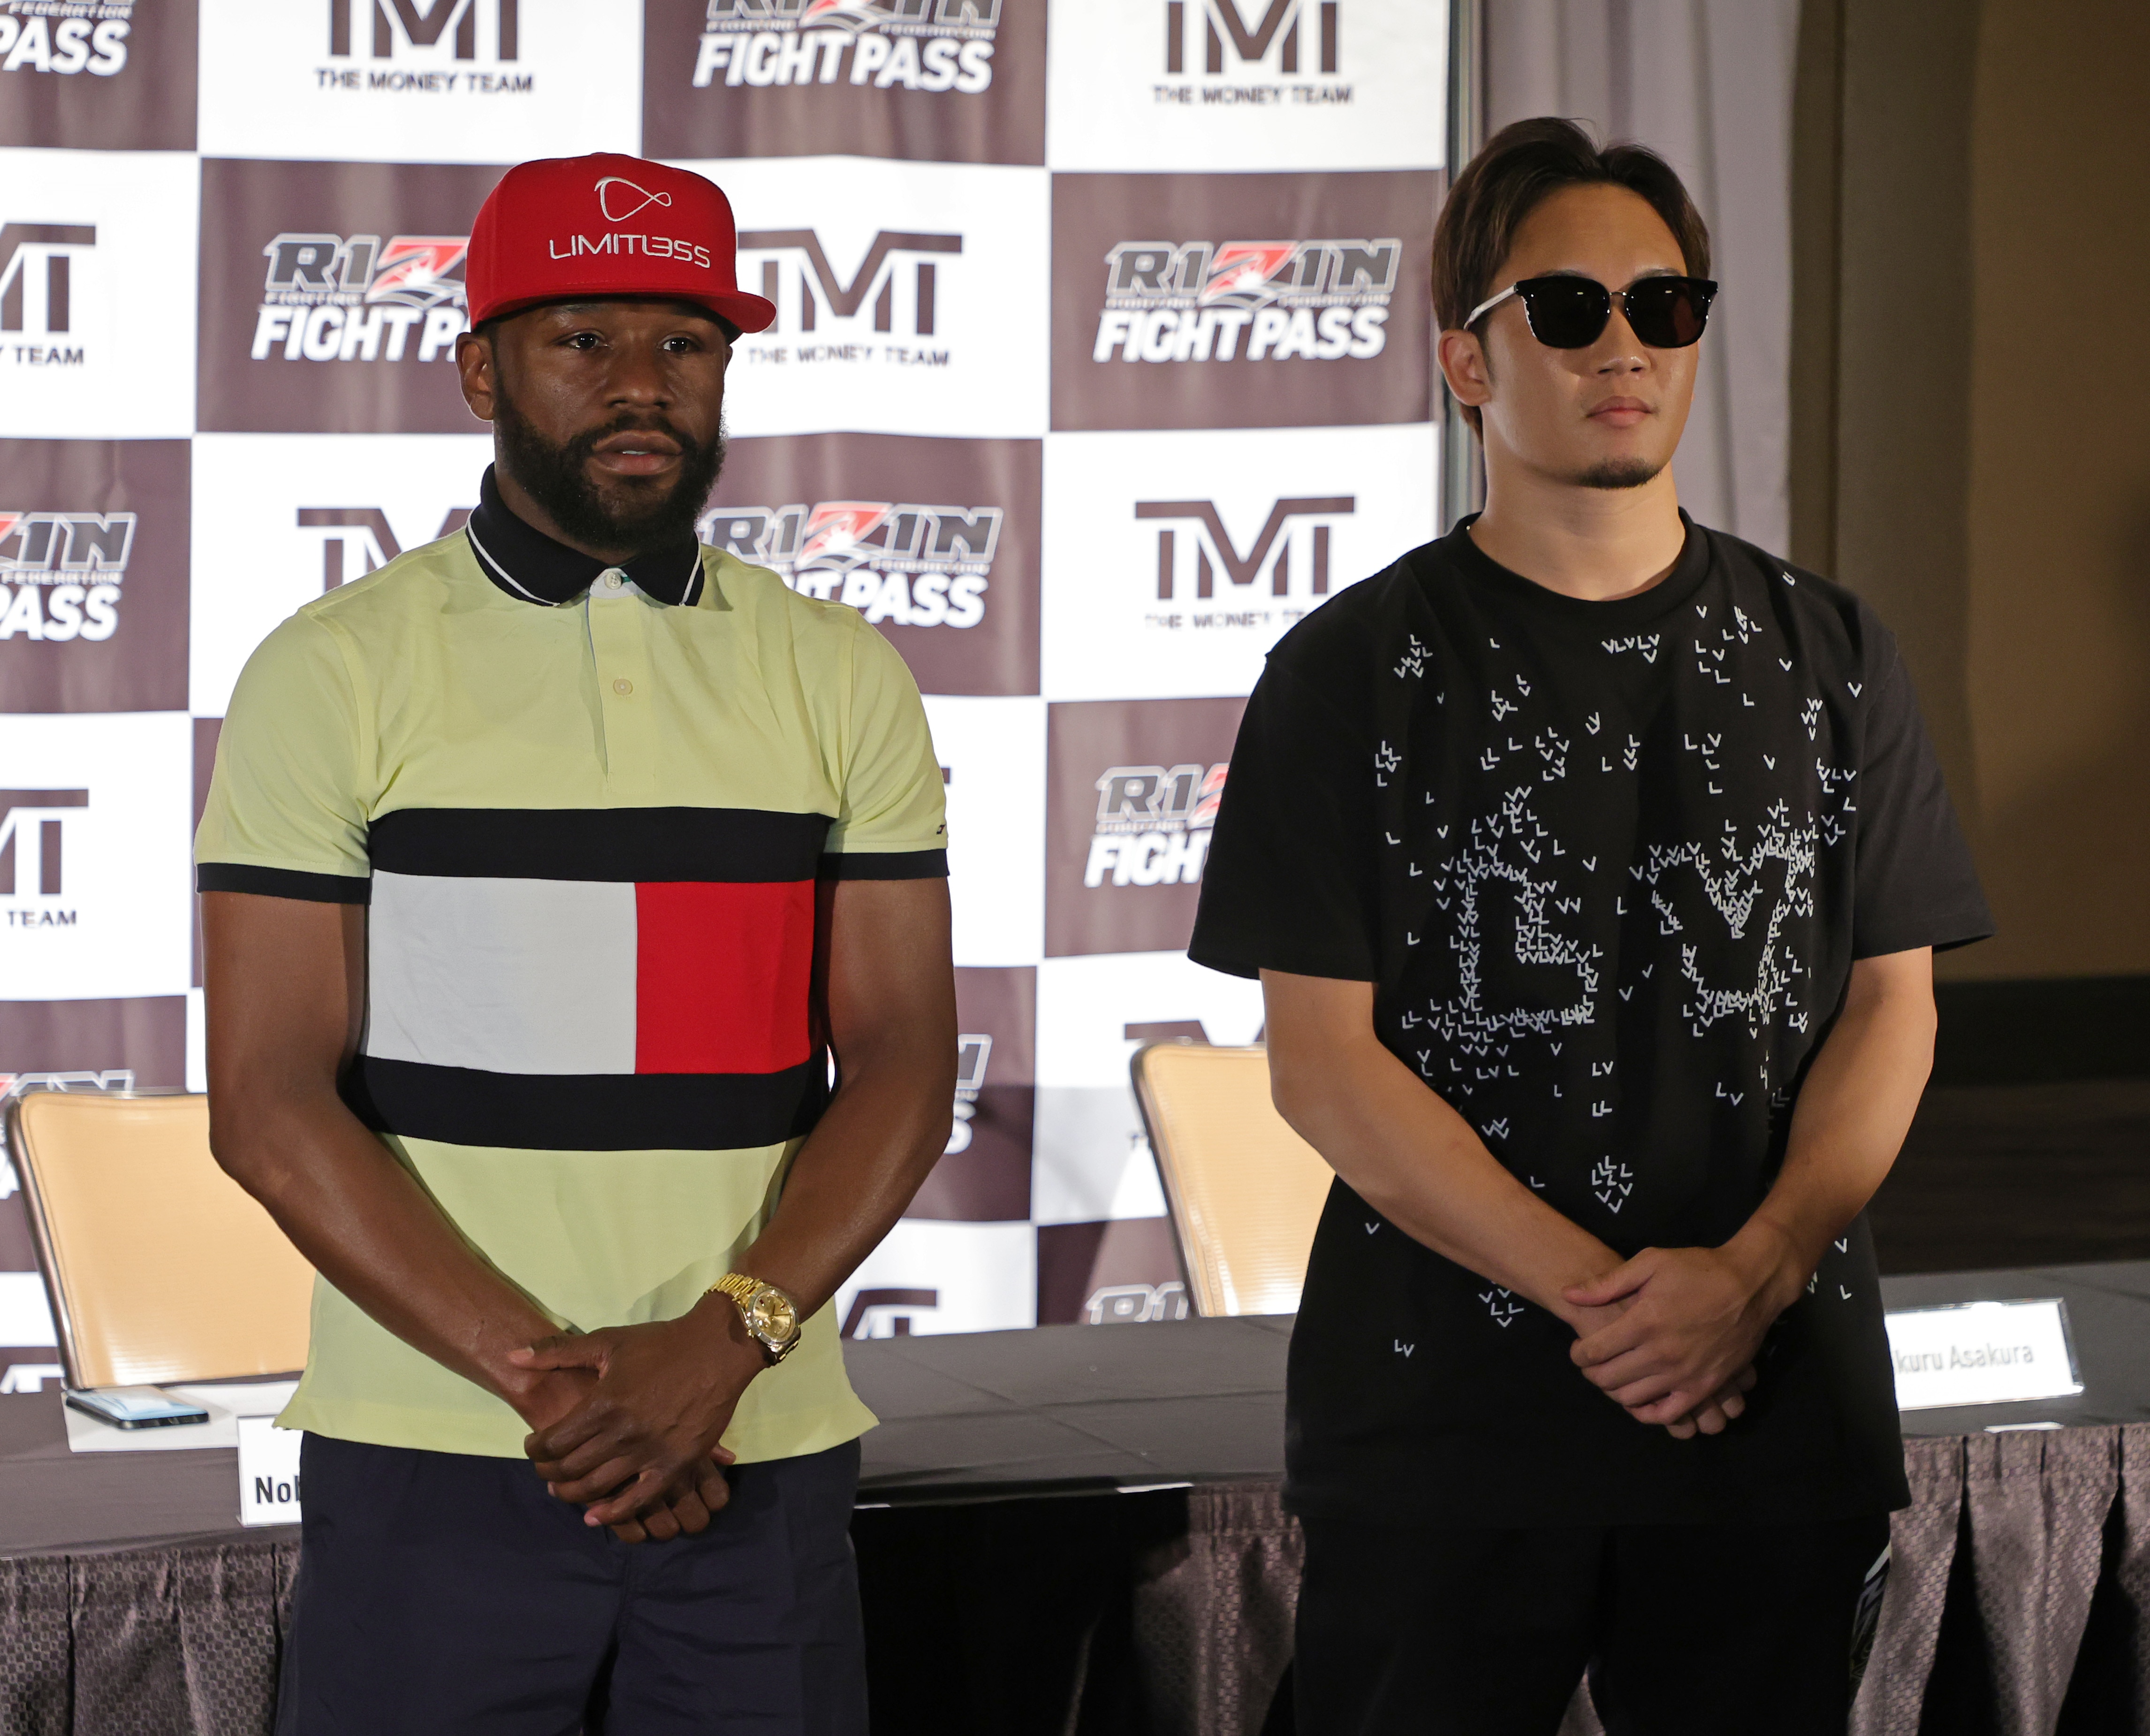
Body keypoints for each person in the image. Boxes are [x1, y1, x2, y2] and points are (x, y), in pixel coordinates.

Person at [1189, 118, 1993, 1735]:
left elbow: (1889, 1010)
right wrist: (1626, 1309)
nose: (1621, 346)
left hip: (1774, 1409)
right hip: (1449, 1431)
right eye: (1564, 310)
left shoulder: (1832, 650)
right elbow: (1323, 1068)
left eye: (1664, 305)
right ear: (1466, 362)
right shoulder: (1344, 672)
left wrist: (1754, 1277)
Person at [196, 152, 955, 1735]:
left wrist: (723, 1347)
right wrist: (571, 1391)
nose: (638, 386)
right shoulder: (332, 673)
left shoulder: (842, 673)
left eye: (681, 343)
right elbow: (269, 1101)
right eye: (581, 341)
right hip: (433, 1458)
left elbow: (900, 1063)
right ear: (480, 368)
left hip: (759, 1445)